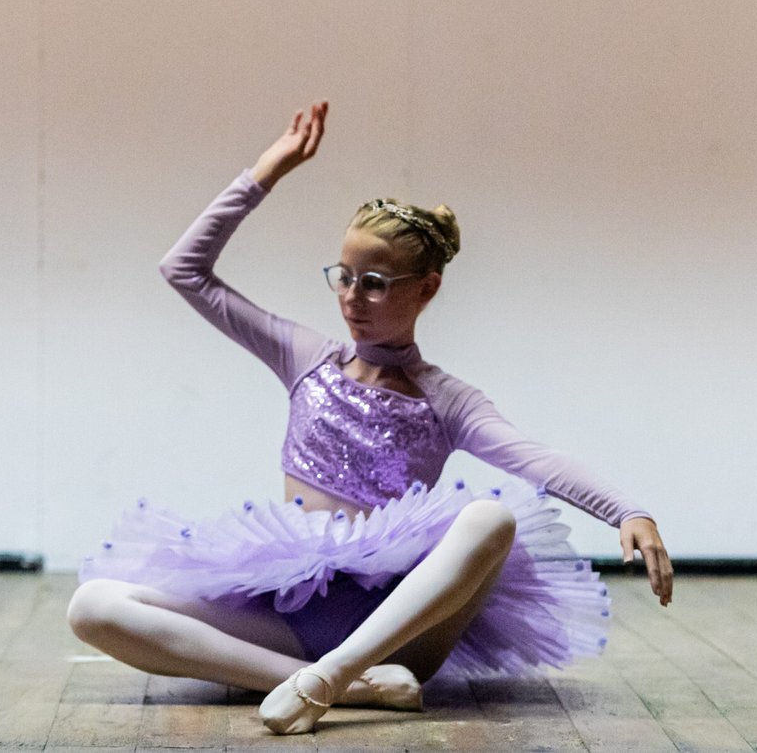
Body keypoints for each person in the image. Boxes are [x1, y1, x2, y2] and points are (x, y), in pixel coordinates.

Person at [67, 99, 673, 735]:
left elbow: (535, 459)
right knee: (94, 605)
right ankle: (349, 687)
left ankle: (330, 678)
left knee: (492, 518)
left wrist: (628, 511)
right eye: (344, 277)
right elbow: (185, 271)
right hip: (289, 614)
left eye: (375, 283)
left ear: (426, 288)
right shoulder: (306, 358)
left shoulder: (446, 399)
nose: (352, 298)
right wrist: (266, 171)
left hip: (395, 625)